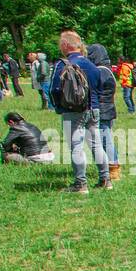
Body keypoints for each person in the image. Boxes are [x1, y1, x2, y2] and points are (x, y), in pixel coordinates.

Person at [50, 29, 109, 193]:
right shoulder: (92, 65)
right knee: (96, 144)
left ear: (65, 45)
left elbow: (54, 89)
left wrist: (58, 107)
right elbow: (99, 86)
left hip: (73, 110)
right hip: (94, 108)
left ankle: (80, 184)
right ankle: (105, 179)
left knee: (76, 145)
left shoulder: (62, 64)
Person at [87, 44, 122, 181]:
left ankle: (113, 168)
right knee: (104, 138)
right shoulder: (106, 70)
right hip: (107, 108)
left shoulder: (100, 71)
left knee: (105, 138)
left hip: (102, 109)